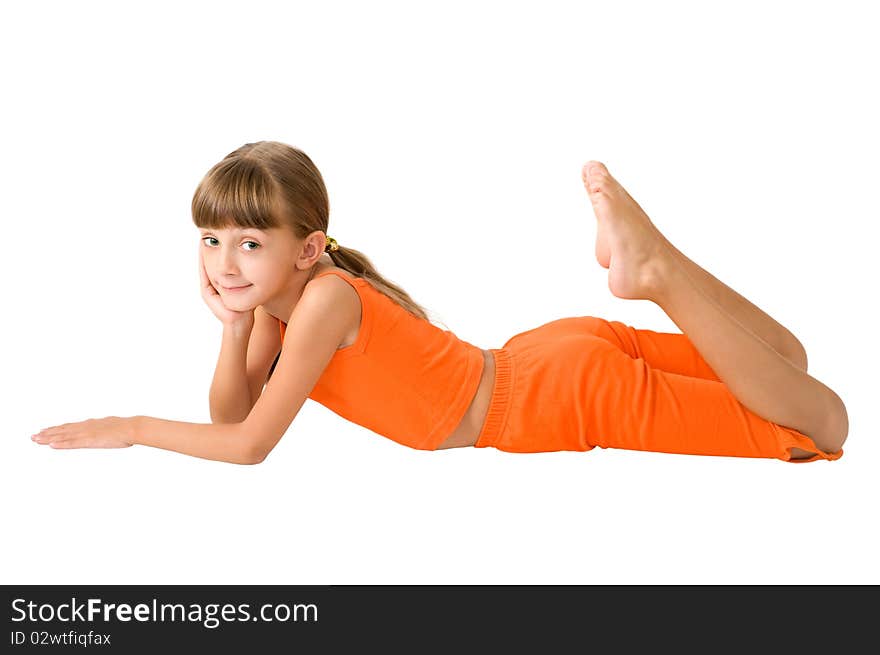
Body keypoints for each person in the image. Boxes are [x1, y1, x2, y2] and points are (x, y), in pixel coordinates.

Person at [30, 141, 849, 465]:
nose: (226, 260)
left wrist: (131, 428)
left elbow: (245, 444)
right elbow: (232, 404)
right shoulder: (288, 310)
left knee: (822, 426)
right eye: (212, 239)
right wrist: (237, 323)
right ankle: (655, 262)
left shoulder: (321, 304)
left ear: (307, 246)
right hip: (544, 358)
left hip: (556, 394)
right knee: (786, 364)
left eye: (250, 241)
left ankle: (657, 271)